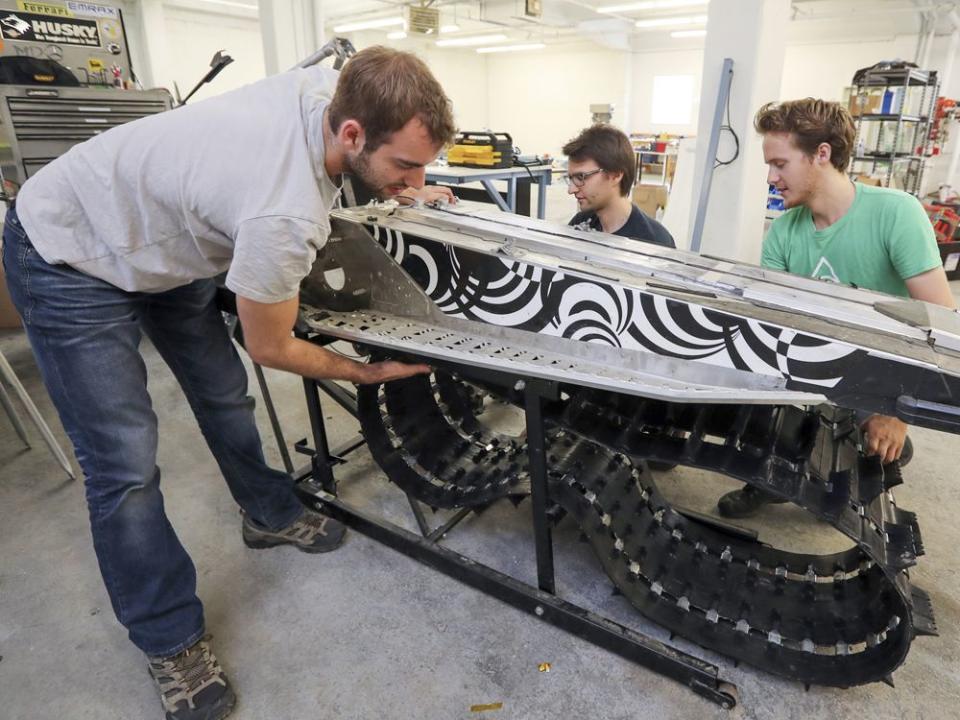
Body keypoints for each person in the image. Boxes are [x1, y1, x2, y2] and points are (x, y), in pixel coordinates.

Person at [1, 46, 456, 720]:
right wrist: (363, 370)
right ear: (353, 133)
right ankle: (169, 638)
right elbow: (271, 347)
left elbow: (364, 151)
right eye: (406, 164)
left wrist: (400, 184)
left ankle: (268, 513)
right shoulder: (283, 215)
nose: (416, 177)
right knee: (123, 463)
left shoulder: (331, 89)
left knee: (221, 393)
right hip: (71, 250)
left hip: (169, 241)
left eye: (423, 164)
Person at [717, 97, 956, 519]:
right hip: (809, 363)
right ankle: (772, 477)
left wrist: (895, 411)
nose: (771, 178)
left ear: (821, 154)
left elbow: (941, 325)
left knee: (881, 449)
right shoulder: (783, 233)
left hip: (876, 375)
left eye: (780, 164)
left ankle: (821, 471)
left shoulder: (895, 214)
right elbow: (775, 321)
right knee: (747, 406)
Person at [562, 124, 675, 248]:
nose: (571, 189)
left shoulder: (654, 242)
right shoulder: (580, 223)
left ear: (615, 175)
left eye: (581, 177)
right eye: (571, 179)